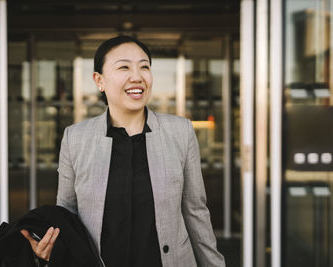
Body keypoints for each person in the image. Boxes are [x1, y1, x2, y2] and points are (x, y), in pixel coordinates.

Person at [21, 35, 225, 267]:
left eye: (144, 67)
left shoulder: (180, 132)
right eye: (124, 67)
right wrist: (48, 248)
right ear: (99, 81)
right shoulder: (75, 138)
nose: (137, 77)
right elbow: (66, 213)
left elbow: (195, 212)